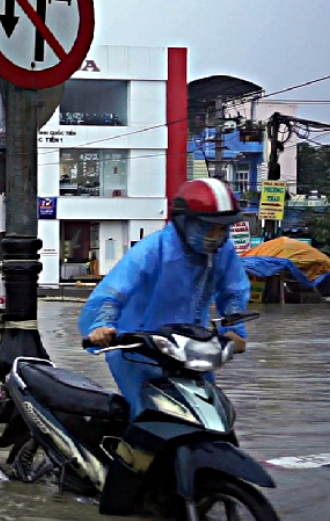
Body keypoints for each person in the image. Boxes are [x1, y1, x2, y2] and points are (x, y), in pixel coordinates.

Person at [78, 179, 251, 419]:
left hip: (191, 350)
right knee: (148, 417)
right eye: (209, 227)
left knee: (209, 415)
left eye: (223, 229)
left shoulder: (223, 252)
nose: (217, 235)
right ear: (185, 223)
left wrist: (233, 331)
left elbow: (234, 292)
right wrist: (101, 327)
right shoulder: (151, 251)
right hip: (137, 350)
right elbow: (112, 292)